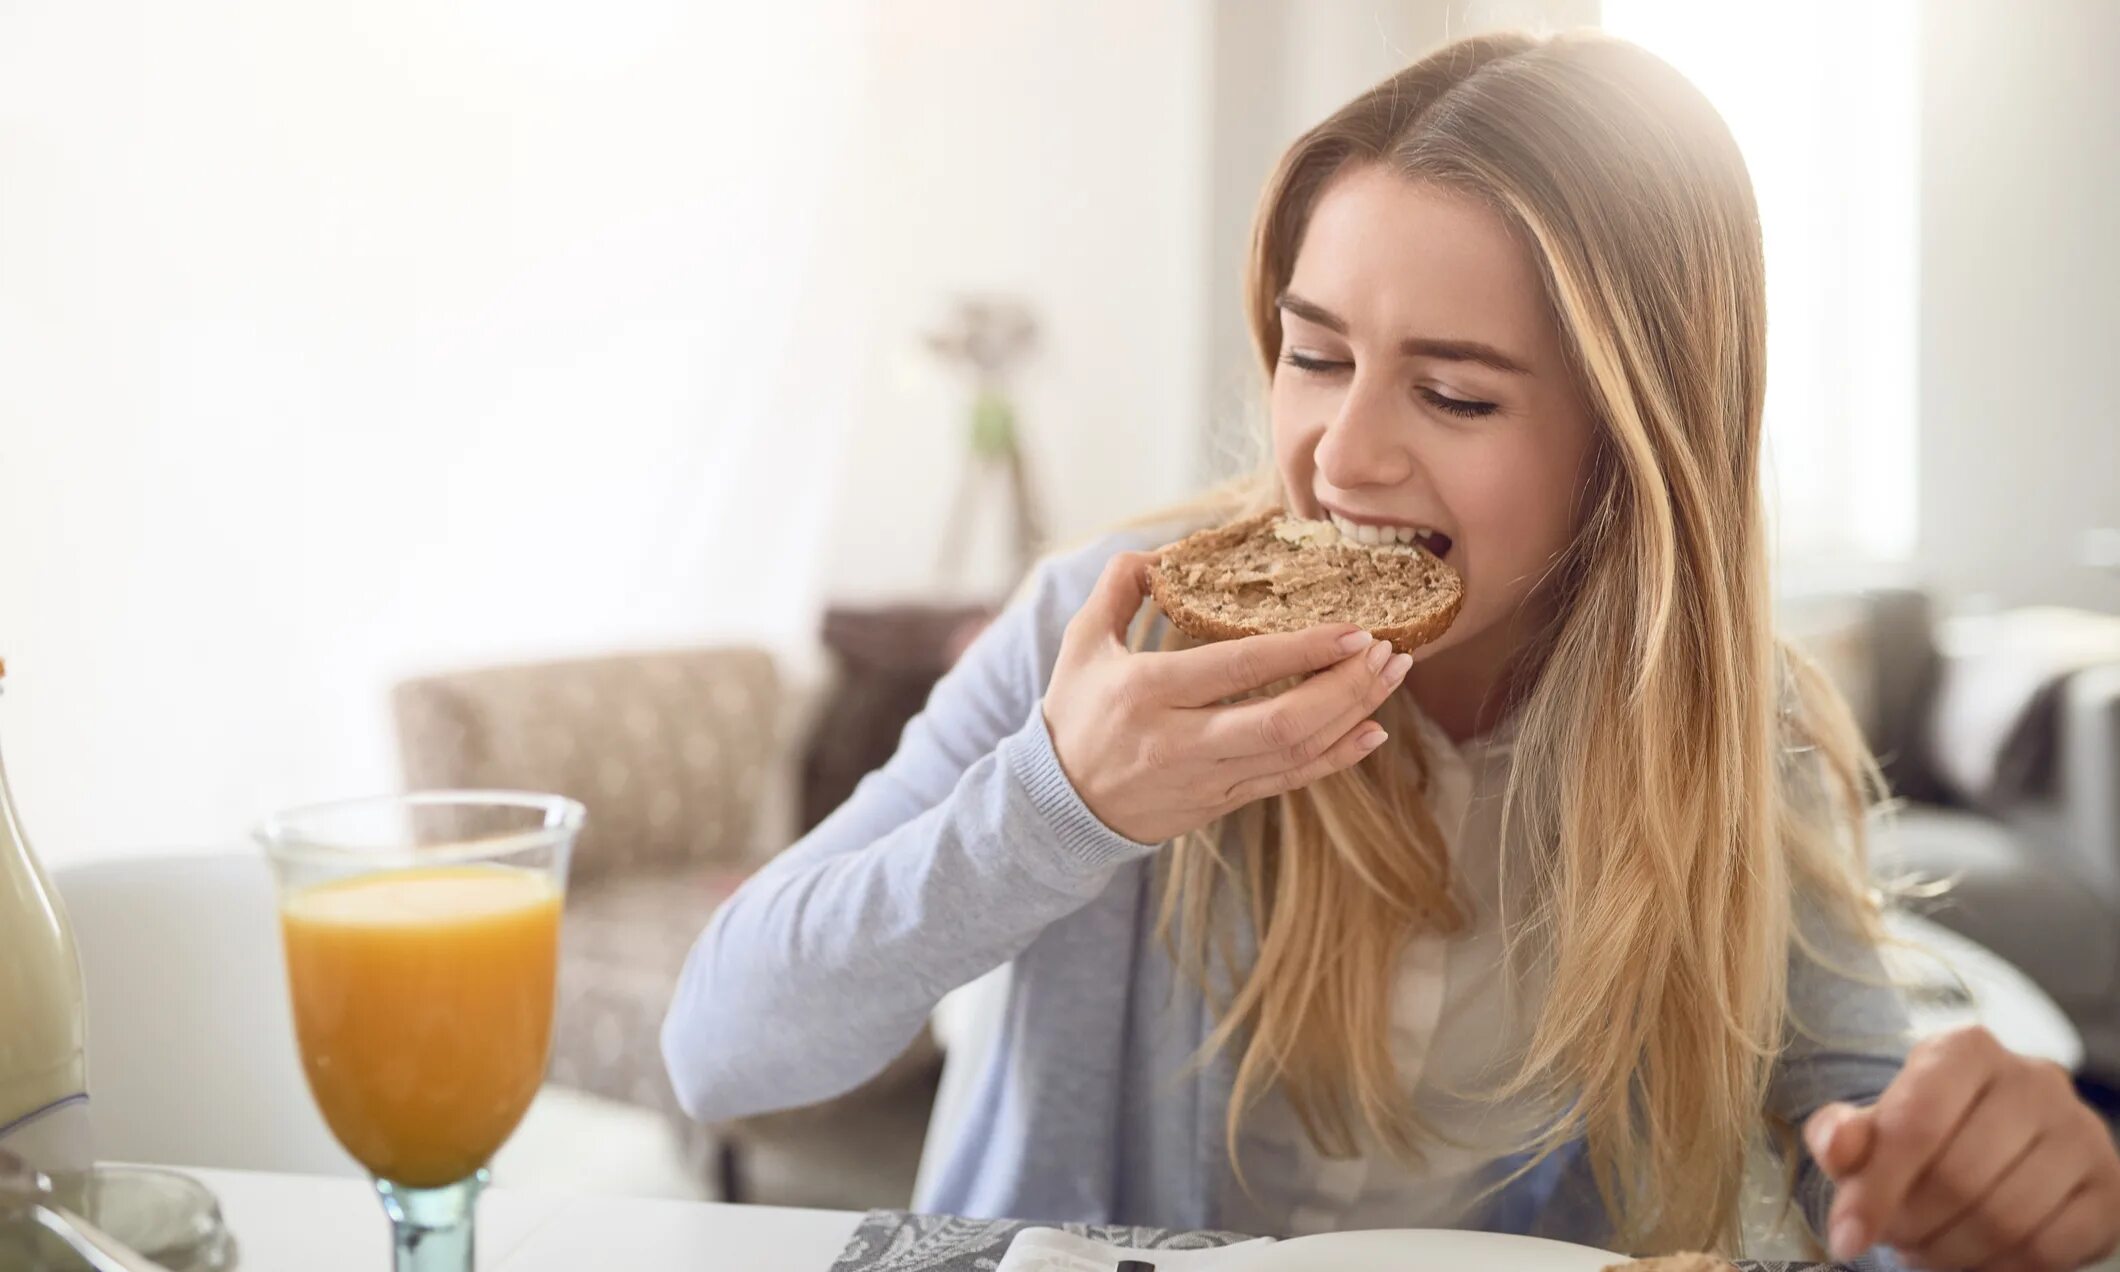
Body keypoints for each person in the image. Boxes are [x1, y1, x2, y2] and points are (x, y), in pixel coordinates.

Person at [662, 29, 2120, 1269]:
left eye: (1457, 395)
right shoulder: (1108, 638)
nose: (1343, 456)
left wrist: (1953, 1181)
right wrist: (1062, 802)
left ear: (1630, 450)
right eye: (1314, 354)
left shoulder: (1728, 731)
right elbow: (722, 1050)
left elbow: (1852, 1136)